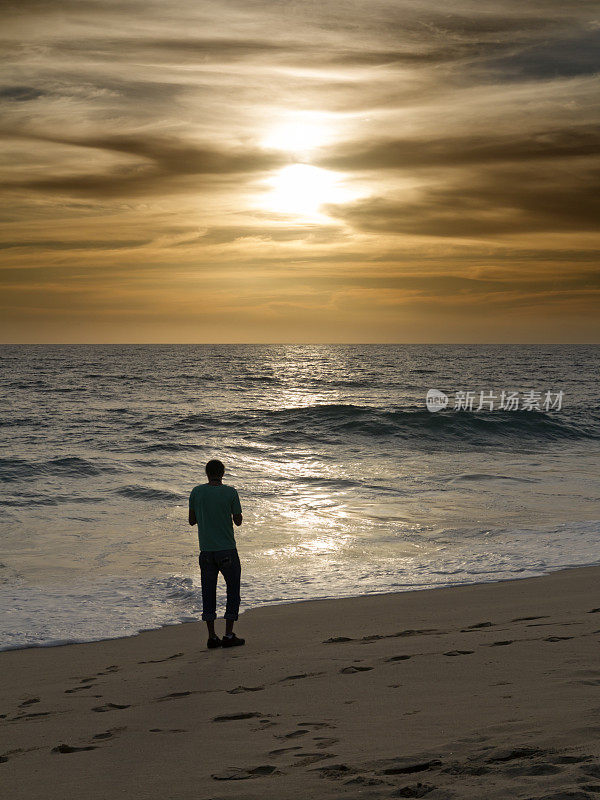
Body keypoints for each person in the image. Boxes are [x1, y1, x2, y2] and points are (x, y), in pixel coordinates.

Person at [188, 459, 245, 649]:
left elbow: (191, 520)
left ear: (206, 473)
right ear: (223, 473)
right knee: (232, 591)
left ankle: (212, 636)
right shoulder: (230, 492)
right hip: (227, 549)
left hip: (206, 551)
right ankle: (228, 634)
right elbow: (238, 521)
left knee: (208, 593)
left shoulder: (196, 492)